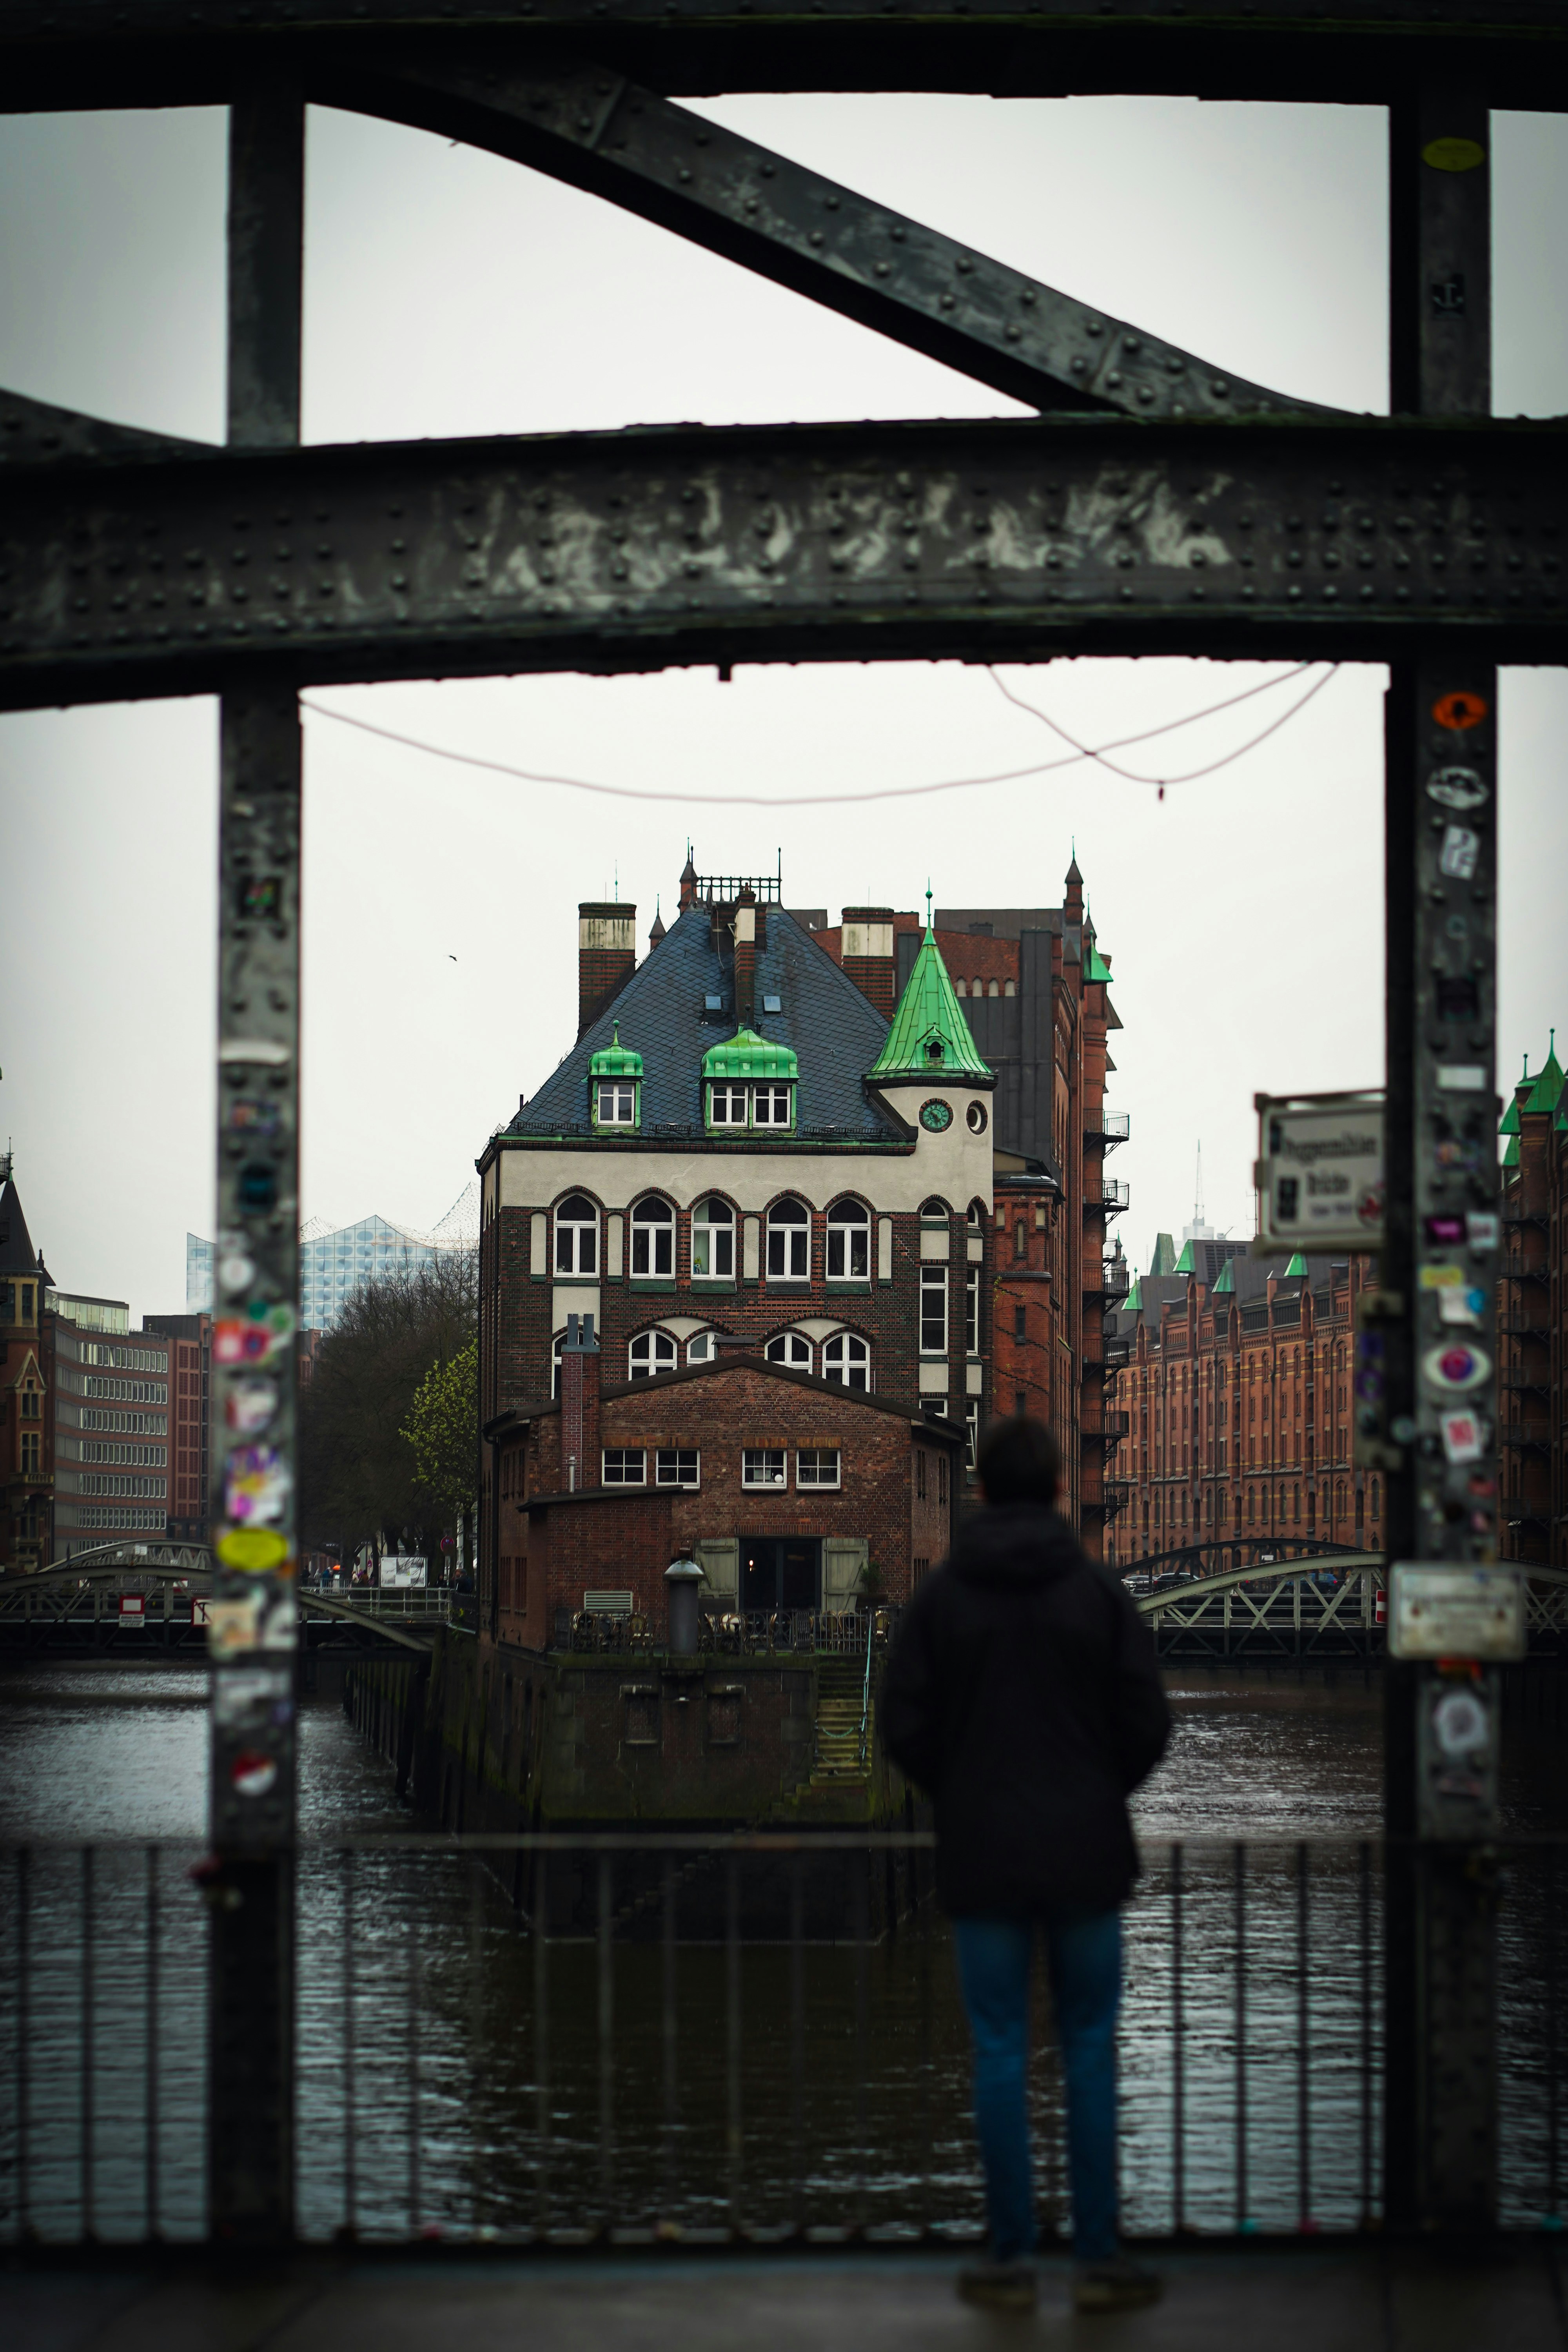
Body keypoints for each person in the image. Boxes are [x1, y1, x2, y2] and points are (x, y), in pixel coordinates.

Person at [881, 1414, 1171, 2316]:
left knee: (1000, 2051)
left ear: (976, 1493)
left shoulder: (942, 1599)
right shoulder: (1098, 1593)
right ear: (1055, 1492)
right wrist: (1096, 1789)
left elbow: (902, 1726)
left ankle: (1008, 2262)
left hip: (984, 1859)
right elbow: (1147, 1724)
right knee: (1086, 2051)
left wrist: (960, 1790)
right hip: (1086, 1858)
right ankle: (1097, 2262)